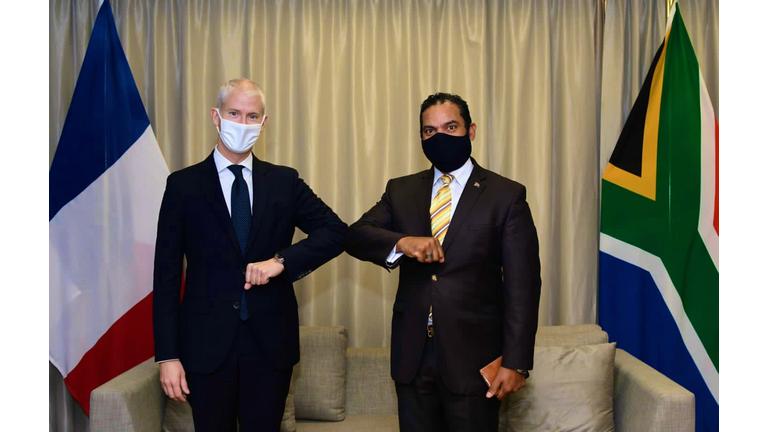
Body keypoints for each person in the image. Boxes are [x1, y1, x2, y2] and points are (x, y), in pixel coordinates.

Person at [153, 78, 347, 431]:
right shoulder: (183, 185)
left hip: (270, 347)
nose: (242, 123)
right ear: (216, 116)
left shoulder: (284, 182)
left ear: (263, 122)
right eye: (234, 113)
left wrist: (280, 262)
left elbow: (335, 232)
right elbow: (166, 276)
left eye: (252, 116)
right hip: (206, 348)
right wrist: (167, 356)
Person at [345, 92, 541, 432]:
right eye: (429, 131)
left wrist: (516, 362)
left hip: (474, 359)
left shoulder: (505, 195)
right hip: (413, 357)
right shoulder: (401, 190)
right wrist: (402, 243)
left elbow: (523, 285)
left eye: (450, 127)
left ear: (471, 130)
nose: (439, 137)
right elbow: (355, 235)